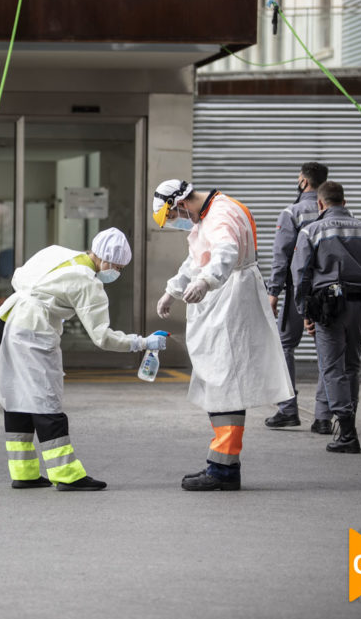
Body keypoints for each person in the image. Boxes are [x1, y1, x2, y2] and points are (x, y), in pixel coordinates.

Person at [0, 228, 167, 492]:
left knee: (17, 399)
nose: (116, 272)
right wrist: (142, 342)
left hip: (8, 321)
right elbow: (102, 337)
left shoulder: (57, 253)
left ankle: (23, 473)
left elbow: (19, 275)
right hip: (33, 333)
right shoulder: (88, 282)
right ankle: (67, 474)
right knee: (46, 401)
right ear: (105, 261)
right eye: (117, 267)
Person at [153, 179, 292, 491]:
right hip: (224, 297)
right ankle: (221, 465)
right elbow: (197, 259)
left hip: (230, 301)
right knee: (219, 381)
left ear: (180, 203)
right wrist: (171, 291)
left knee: (225, 383)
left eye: (173, 216)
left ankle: (223, 471)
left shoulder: (220, 215)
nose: (176, 222)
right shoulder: (210, 213)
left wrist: (206, 282)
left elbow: (224, 253)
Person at [291, 181, 361, 454]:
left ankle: (348, 433)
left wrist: (305, 312)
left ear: (320, 204)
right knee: (351, 367)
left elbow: (300, 276)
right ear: (344, 202)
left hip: (328, 310)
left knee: (332, 368)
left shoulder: (310, 231)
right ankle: (347, 426)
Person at [265, 162, 332, 433]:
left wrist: (273, 292)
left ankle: (288, 409)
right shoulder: (333, 212)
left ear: (303, 181)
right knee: (328, 351)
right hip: (328, 293)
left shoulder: (292, 212)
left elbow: (282, 257)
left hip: (297, 291)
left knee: (284, 346)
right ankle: (324, 417)